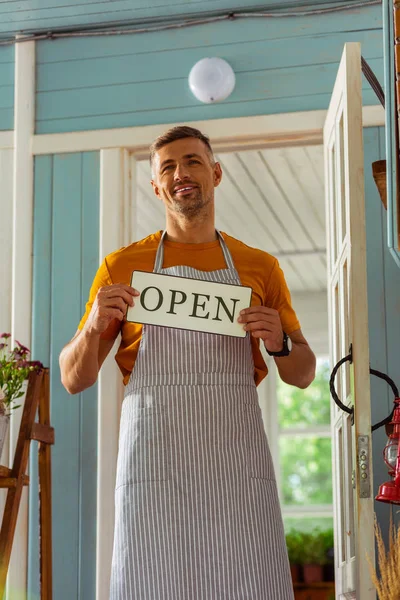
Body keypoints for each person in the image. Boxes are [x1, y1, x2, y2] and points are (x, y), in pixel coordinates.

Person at [60, 125, 316, 600]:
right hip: (155, 463)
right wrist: (95, 325)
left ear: (215, 173)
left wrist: (280, 342)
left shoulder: (259, 266)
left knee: (248, 581)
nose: (182, 173)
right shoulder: (122, 267)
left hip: (235, 465)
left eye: (193, 161)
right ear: (156, 186)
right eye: (169, 167)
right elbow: (73, 378)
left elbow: (302, 373)